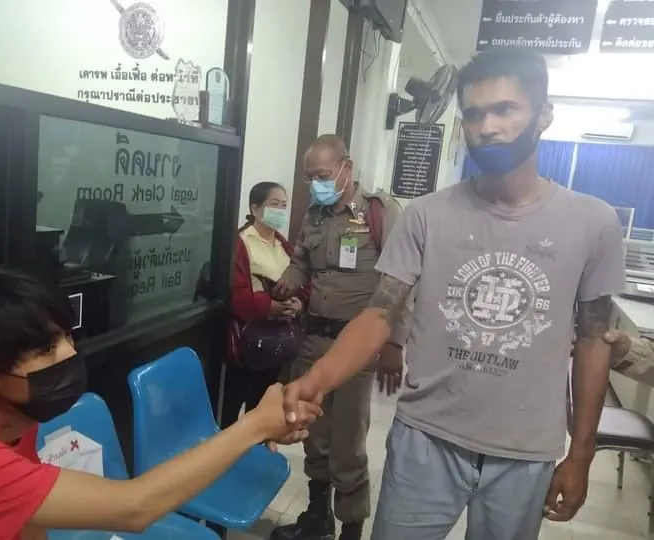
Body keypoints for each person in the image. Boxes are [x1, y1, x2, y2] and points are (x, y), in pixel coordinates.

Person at [282, 50, 625, 540]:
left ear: (544, 114)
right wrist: (315, 380)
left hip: (525, 450)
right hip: (426, 438)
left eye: (505, 109)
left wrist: (582, 453)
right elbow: (379, 313)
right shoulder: (426, 216)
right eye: (475, 114)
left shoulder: (593, 223)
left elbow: (594, 341)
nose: (488, 127)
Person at [0, 269, 320, 540]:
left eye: (68, 337)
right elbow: (134, 508)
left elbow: (27, 520)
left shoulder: (13, 421)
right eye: (46, 349)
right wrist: (256, 425)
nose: (70, 353)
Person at [270, 134, 410, 540]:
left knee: (347, 442)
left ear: (346, 168)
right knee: (314, 435)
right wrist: (289, 279)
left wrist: (394, 343)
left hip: (357, 346)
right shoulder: (314, 215)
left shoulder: (379, 212)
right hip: (313, 338)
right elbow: (302, 262)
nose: (316, 183)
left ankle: (351, 528)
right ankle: (317, 517)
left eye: (323, 175)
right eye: (309, 177)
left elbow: (403, 282)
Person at [221, 182, 306, 428]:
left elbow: (302, 281)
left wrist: (298, 303)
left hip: (278, 342)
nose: (280, 210)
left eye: (284, 205)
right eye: (274, 204)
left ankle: (259, 445)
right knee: (231, 409)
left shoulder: (283, 245)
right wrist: (272, 307)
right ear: (255, 208)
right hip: (248, 341)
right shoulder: (241, 242)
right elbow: (237, 295)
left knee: (264, 406)